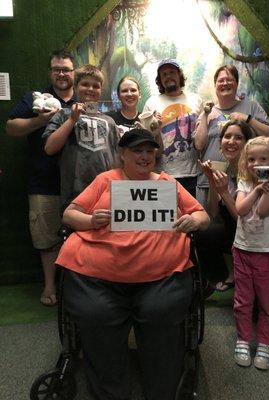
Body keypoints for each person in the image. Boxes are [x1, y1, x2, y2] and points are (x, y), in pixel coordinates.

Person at [56, 128, 210, 400]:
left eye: (149, 151)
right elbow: (70, 214)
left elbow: (202, 215)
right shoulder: (106, 180)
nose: (145, 156)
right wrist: (92, 221)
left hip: (161, 276)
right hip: (96, 275)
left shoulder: (166, 183)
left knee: (160, 315)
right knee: (98, 316)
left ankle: (161, 390)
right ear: (122, 155)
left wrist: (193, 221)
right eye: (137, 150)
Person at [5, 49, 76, 306]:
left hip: (79, 183)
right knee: (47, 237)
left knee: (80, 235)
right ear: (50, 72)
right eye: (57, 69)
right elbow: (11, 127)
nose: (61, 74)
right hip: (43, 181)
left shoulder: (83, 99)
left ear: (73, 72)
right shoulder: (37, 99)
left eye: (66, 69)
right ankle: (49, 285)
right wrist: (39, 120)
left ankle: (78, 287)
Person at [232, 136, 269, 370]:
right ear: (245, 162)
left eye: (263, 159)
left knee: (267, 304)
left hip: (268, 253)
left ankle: (265, 344)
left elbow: (265, 211)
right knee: (243, 301)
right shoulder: (245, 183)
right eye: (251, 159)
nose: (257, 164)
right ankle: (243, 340)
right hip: (242, 250)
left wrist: (268, 186)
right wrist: (257, 189)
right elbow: (240, 209)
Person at [194, 64, 269, 209]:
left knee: (240, 222)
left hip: (244, 181)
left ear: (237, 84)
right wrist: (205, 115)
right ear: (215, 85)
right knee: (209, 228)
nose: (225, 83)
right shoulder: (207, 112)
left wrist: (247, 119)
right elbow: (199, 145)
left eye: (229, 80)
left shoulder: (251, 107)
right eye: (221, 80)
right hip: (209, 182)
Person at [43, 64, 120, 212]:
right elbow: (49, 148)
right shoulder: (63, 114)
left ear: (101, 90)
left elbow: (117, 158)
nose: (90, 89)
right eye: (85, 84)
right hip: (74, 193)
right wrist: (72, 120)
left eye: (95, 86)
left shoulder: (110, 121)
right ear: (76, 87)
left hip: (106, 193)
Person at [197, 120, 255, 292]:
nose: (231, 142)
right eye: (227, 137)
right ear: (220, 143)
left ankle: (245, 274)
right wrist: (211, 180)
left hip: (254, 235)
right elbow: (214, 212)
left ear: (247, 143)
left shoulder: (252, 173)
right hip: (234, 232)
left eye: (238, 137)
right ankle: (222, 275)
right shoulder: (225, 168)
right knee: (200, 233)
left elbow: (245, 222)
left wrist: (224, 193)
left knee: (230, 223)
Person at [143, 59, 203, 197]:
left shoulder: (196, 99)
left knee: (188, 216)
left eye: (172, 72)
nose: (168, 76)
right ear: (160, 80)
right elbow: (146, 137)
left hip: (190, 172)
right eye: (164, 74)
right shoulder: (152, 102)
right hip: (162, 173)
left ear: (179, 75)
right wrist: (153, 126)